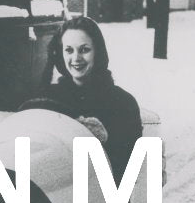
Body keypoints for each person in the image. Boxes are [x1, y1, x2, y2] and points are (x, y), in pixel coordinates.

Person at [41, 16, 142, 178]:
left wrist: (100, 141)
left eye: (84, 49)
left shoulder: (122, 102)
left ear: (98, 52)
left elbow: (126, 170)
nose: (76, 58)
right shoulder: (49, 99)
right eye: (69, 50)